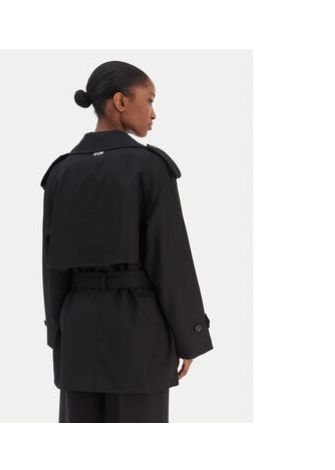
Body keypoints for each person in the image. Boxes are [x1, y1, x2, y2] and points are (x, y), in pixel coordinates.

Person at [41, 60, 213, 423]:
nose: (153, 112)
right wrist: (190, 335)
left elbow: (52, 270)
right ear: (120, 102)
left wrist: (59, 337)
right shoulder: (149, 167)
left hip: (78, 333)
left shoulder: (61, 172)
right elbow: (170, 259)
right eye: (148, 100)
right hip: (138, 336)